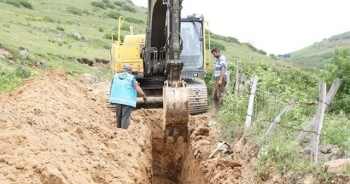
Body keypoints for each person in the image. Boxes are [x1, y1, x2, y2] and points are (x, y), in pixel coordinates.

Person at [109, 65, 147, 129]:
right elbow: (136, 87)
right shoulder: (131, 78)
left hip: (118, 99)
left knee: (119, 115)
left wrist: (112, 95)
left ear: (123, 70)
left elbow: (112, 86)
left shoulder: (116, 76)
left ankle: (119, 130)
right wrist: (144, 95)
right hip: (127, 100)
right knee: (125, 116)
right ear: (130, 71)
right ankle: (124, 132)